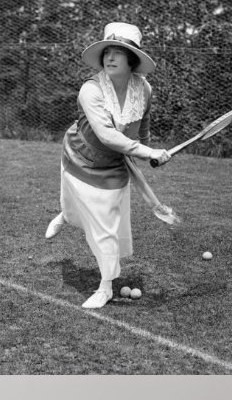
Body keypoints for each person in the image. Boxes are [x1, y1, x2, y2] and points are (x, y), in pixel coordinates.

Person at [45, 22, 171, 309]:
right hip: (79, 155)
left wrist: (149, 155)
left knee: (106, 226)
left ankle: (105, 288)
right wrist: (148, 150)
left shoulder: (144, 90)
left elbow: (142, 132)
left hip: (113, 167)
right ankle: (66, 214)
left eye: (118, 52)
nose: (110, 58)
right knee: (71, 199)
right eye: (107, 52)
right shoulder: (90, 90)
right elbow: (106, 134)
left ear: (132, 60)